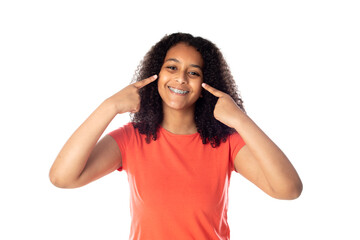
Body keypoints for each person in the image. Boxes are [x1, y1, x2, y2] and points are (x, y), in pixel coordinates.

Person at [49, 33, 302, 240]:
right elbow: (62, 177)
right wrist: (108, 106)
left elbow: (289, 189)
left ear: (206, 85)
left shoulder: (225, 143)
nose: (180, 78)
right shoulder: (132, 139)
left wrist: (239, 119)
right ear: (156, 74)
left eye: (193, 72)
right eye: (172, 67)